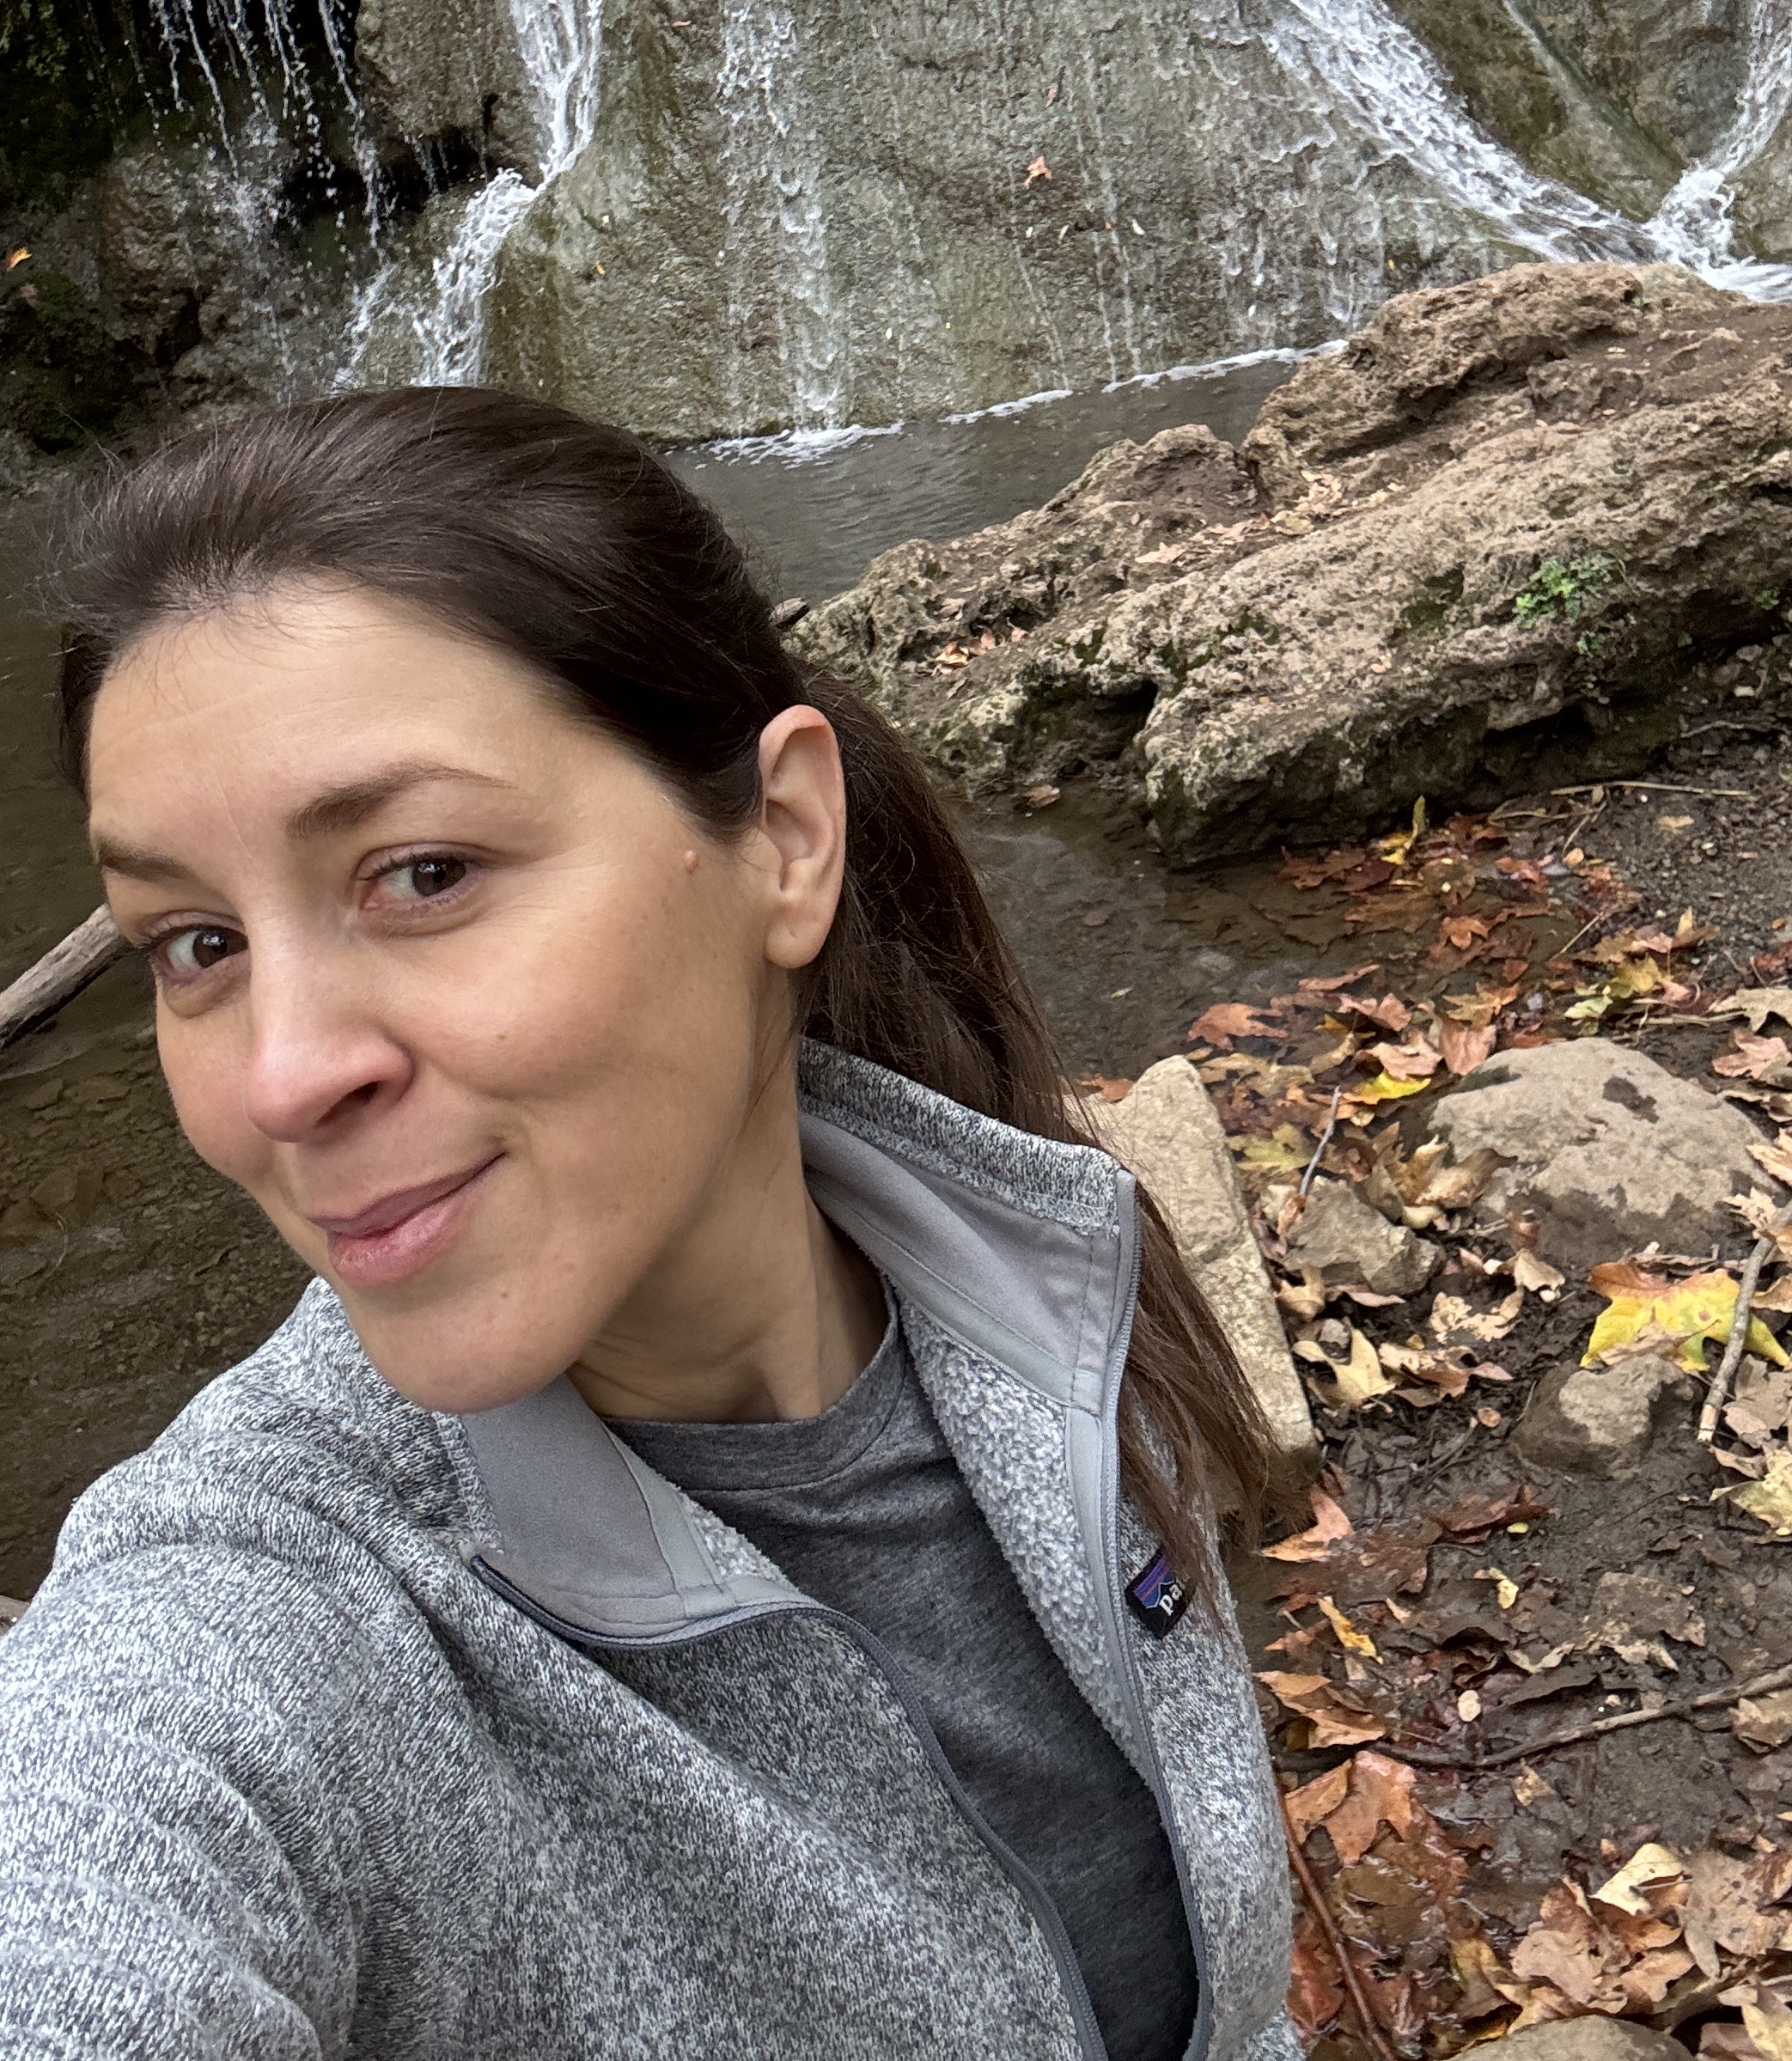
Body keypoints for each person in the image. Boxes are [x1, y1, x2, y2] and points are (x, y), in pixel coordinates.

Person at [0, 390, 1301, 2060]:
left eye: (421, 873)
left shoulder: (1028, 1246)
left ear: (785, 839)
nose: (278, 1077)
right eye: (193, 941)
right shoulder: (270, 1610)